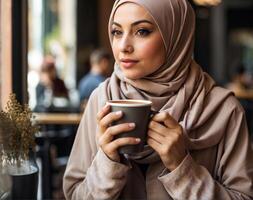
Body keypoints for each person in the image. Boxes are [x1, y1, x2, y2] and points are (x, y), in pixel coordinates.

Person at [63, 0, 253, 199]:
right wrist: (107, 163)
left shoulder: (223, 109)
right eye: (117, 32)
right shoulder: (102, 99)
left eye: (142, 31)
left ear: (175, 35)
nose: (124, 46)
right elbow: (75, 194)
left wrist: (182, 168)